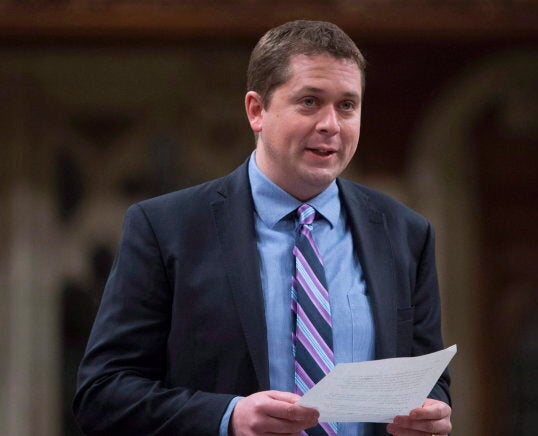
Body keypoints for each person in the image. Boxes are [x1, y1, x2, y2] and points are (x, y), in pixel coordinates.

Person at [74, 20, 452, 436]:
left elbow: (427, 378)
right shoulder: (165, 228)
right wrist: (228, 417)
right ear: (256, 110)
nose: (331, 124)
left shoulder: (405, 233)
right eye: (309, 101)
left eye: (347, 106)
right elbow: (102, 393)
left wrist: (433, 412)